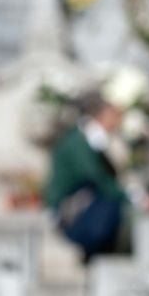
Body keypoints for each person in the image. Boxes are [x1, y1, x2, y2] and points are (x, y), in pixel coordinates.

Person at [44, 95, 128, 259]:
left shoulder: (89, 140)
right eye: (115, 117)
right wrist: (131, 196)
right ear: (102, 116)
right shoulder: (80, 142)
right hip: (72, 211)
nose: (118, 123)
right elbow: (95, 176)